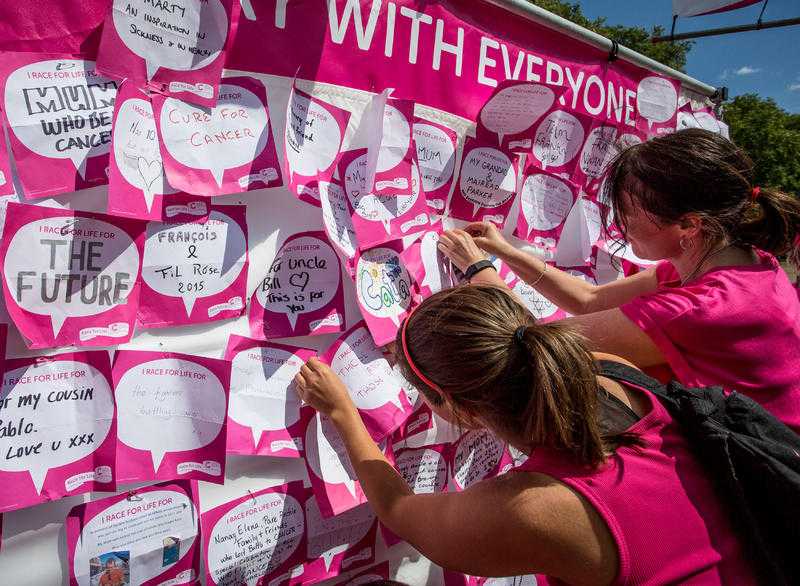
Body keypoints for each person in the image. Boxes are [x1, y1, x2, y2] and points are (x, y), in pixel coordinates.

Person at [294, 286, 757, 585]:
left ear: (457, 408)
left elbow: (398, 509)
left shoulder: (533, 510)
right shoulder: (615, 374)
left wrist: (341, 412)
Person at [437, 129, 800, 431]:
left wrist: (476, 267)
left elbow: (530, 344)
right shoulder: (732, 262)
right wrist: (508, 252)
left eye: (628, 211)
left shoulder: (700, 309)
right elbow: (589, 299)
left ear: (689, 224)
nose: (619, 224)